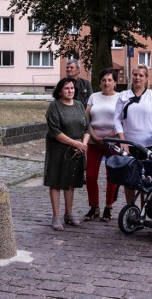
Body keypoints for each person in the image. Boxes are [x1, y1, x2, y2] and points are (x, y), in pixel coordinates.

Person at [114, 64, 152, 202]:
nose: (137, 78)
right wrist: (122, 141)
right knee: (130, 179)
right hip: (129, 144)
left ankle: (143, 210)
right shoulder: (123, 95)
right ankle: (131, 209)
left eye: (141, 75)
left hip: (148, 145)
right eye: (135, 74)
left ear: (146, 78)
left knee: (146, 180)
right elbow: (117, 121)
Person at [44, 77, 90, 231]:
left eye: (72, 88)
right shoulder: (54, 107)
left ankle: (68, 213)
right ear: (59, 91)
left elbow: (87, 128)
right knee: (56, 181)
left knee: (70, 182)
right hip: (59, 150)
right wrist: (75, 143)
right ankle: (56, 216)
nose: (70, 91)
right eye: (66, 88)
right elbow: (55, 132)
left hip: (77, 150)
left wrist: (82, 144)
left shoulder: (78, 105)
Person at [83, 68, 119, 222]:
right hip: (94, 140)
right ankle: (94, 206)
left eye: (110, 80)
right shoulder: (93, 97)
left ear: (115, 82)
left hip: (113, 142)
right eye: (104, 80)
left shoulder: (120, 98)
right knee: (90, 175)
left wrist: (109, 137)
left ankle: (108, 207)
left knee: (112, 175)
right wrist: (94, 136)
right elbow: (86, 119)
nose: (106, 83)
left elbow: (122, 121)